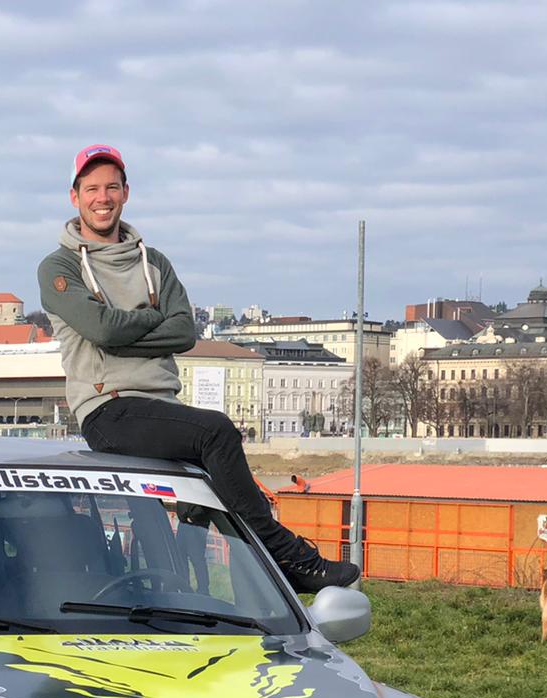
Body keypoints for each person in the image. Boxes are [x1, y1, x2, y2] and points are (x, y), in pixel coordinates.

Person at [38, 144, 360, 592]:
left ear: (126, 193)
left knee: (210, 493)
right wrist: (151, 319)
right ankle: (286, 556)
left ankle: (235, 586)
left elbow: (184, 333)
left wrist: (122, 327)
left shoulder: (155, 264)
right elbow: (101, 329)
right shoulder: (59, 267)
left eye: (112, 186)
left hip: (160, 406)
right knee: (217, 432)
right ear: (74, 197)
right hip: (109, 410)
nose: (102, 197)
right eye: (91, 188)